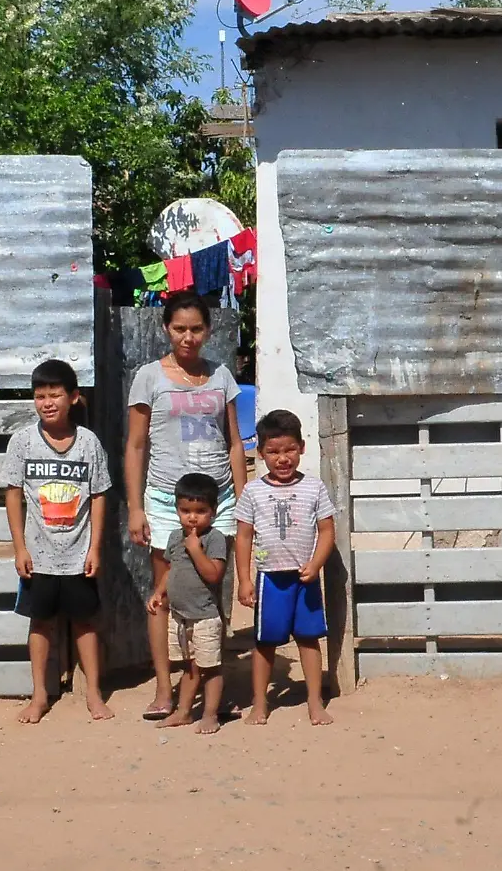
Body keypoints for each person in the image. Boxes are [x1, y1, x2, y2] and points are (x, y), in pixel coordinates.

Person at [126, 290, 249, 720]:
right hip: (165, 500)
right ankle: (166, 688)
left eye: (196, 328)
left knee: (212, 593)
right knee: (166, 594)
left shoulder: (222, 377)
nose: (188, 337)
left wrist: (243, 496)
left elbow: (235, 443)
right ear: (166, 329)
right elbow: (136, 445)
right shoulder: (149, 377)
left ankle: (214, 683)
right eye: (179, 328)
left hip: (219, 500)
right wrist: (136, 507)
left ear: (208, 330)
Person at [1, 359, 114, 723]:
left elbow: (99, 495)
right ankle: (40, 695)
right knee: (40, 623)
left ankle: (93, 694)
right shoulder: (22, 442)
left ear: (74, 397)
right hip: (39, 555)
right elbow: (13, 494)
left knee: (85, 622)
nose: (47, 403)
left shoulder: (88, 443)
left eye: (55, 395)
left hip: (80, 554)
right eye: (39, 396)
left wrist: (95, 547)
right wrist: (20, 547)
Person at [236, 408, 335, 726]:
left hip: (304, 579)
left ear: (302, 447)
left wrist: (317, 563)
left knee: (308, 638)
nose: (282, 458)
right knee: (265, 641)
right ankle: (260, 703)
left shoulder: (315, 487)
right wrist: (244, 580)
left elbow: (327, 530)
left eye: (289, 449)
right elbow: (243, 537)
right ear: (261, 453)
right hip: (270, 579)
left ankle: (314, 701)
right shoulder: (253, 491)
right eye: (273, 451)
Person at [148, 472, 231, 734]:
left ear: (213, 511)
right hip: (179, 616)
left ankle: (210, 714)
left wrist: (196, 549)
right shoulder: (174, 537)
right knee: (188, 666)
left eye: (200, 511)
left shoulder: (214, 539)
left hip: (204, 616)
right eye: (185, 510)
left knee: (210, 667)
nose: (192, 517)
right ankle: (184, 712)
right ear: (177, 509)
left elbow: (214, 574)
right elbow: (172, 569)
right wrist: (159, 592)